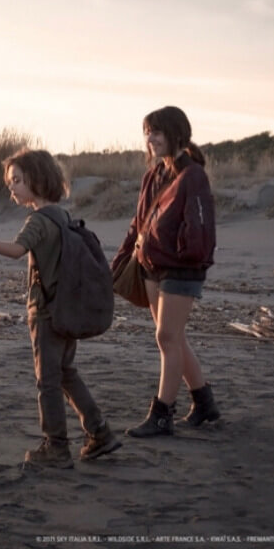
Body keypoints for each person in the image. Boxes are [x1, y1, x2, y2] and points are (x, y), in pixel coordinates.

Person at [0, 148, 121, 468]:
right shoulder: (62, 215)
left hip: (45, 313)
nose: (11, 187)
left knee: (48, 381)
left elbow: (16, 250)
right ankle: (100, 432)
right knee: (67, 373)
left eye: (17, 180)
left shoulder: (39, 221)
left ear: (37, 180)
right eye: (9, 182)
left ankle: (56, 447)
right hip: (67, 307)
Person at [112, 106, 220, 437]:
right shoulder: (152, 175)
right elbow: (138, 222)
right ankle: (204, 404)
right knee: (171, 338)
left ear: (175, 134)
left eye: (156, 132)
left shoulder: (194, 176)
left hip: (181, 269)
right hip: (150, 265)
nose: (150, 139)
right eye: (147, 132)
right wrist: (120, 260)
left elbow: (200, 226)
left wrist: (185, 255)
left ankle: (162, 416)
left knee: (166, 337)